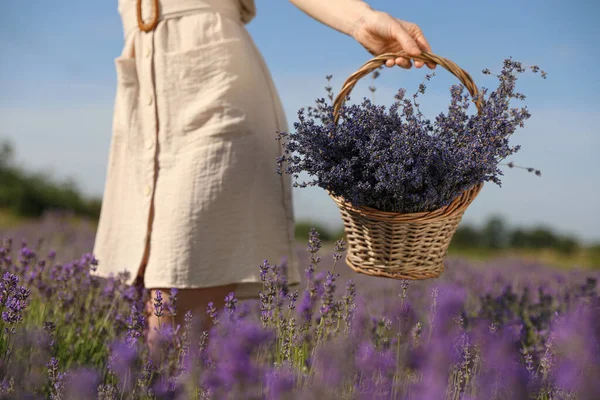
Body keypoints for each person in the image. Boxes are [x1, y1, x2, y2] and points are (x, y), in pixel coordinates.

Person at [92, 0, 434, 350]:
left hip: (214, 87)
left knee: (174, 304)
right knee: (140, 292)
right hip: (142, 93)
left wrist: (362, 21)